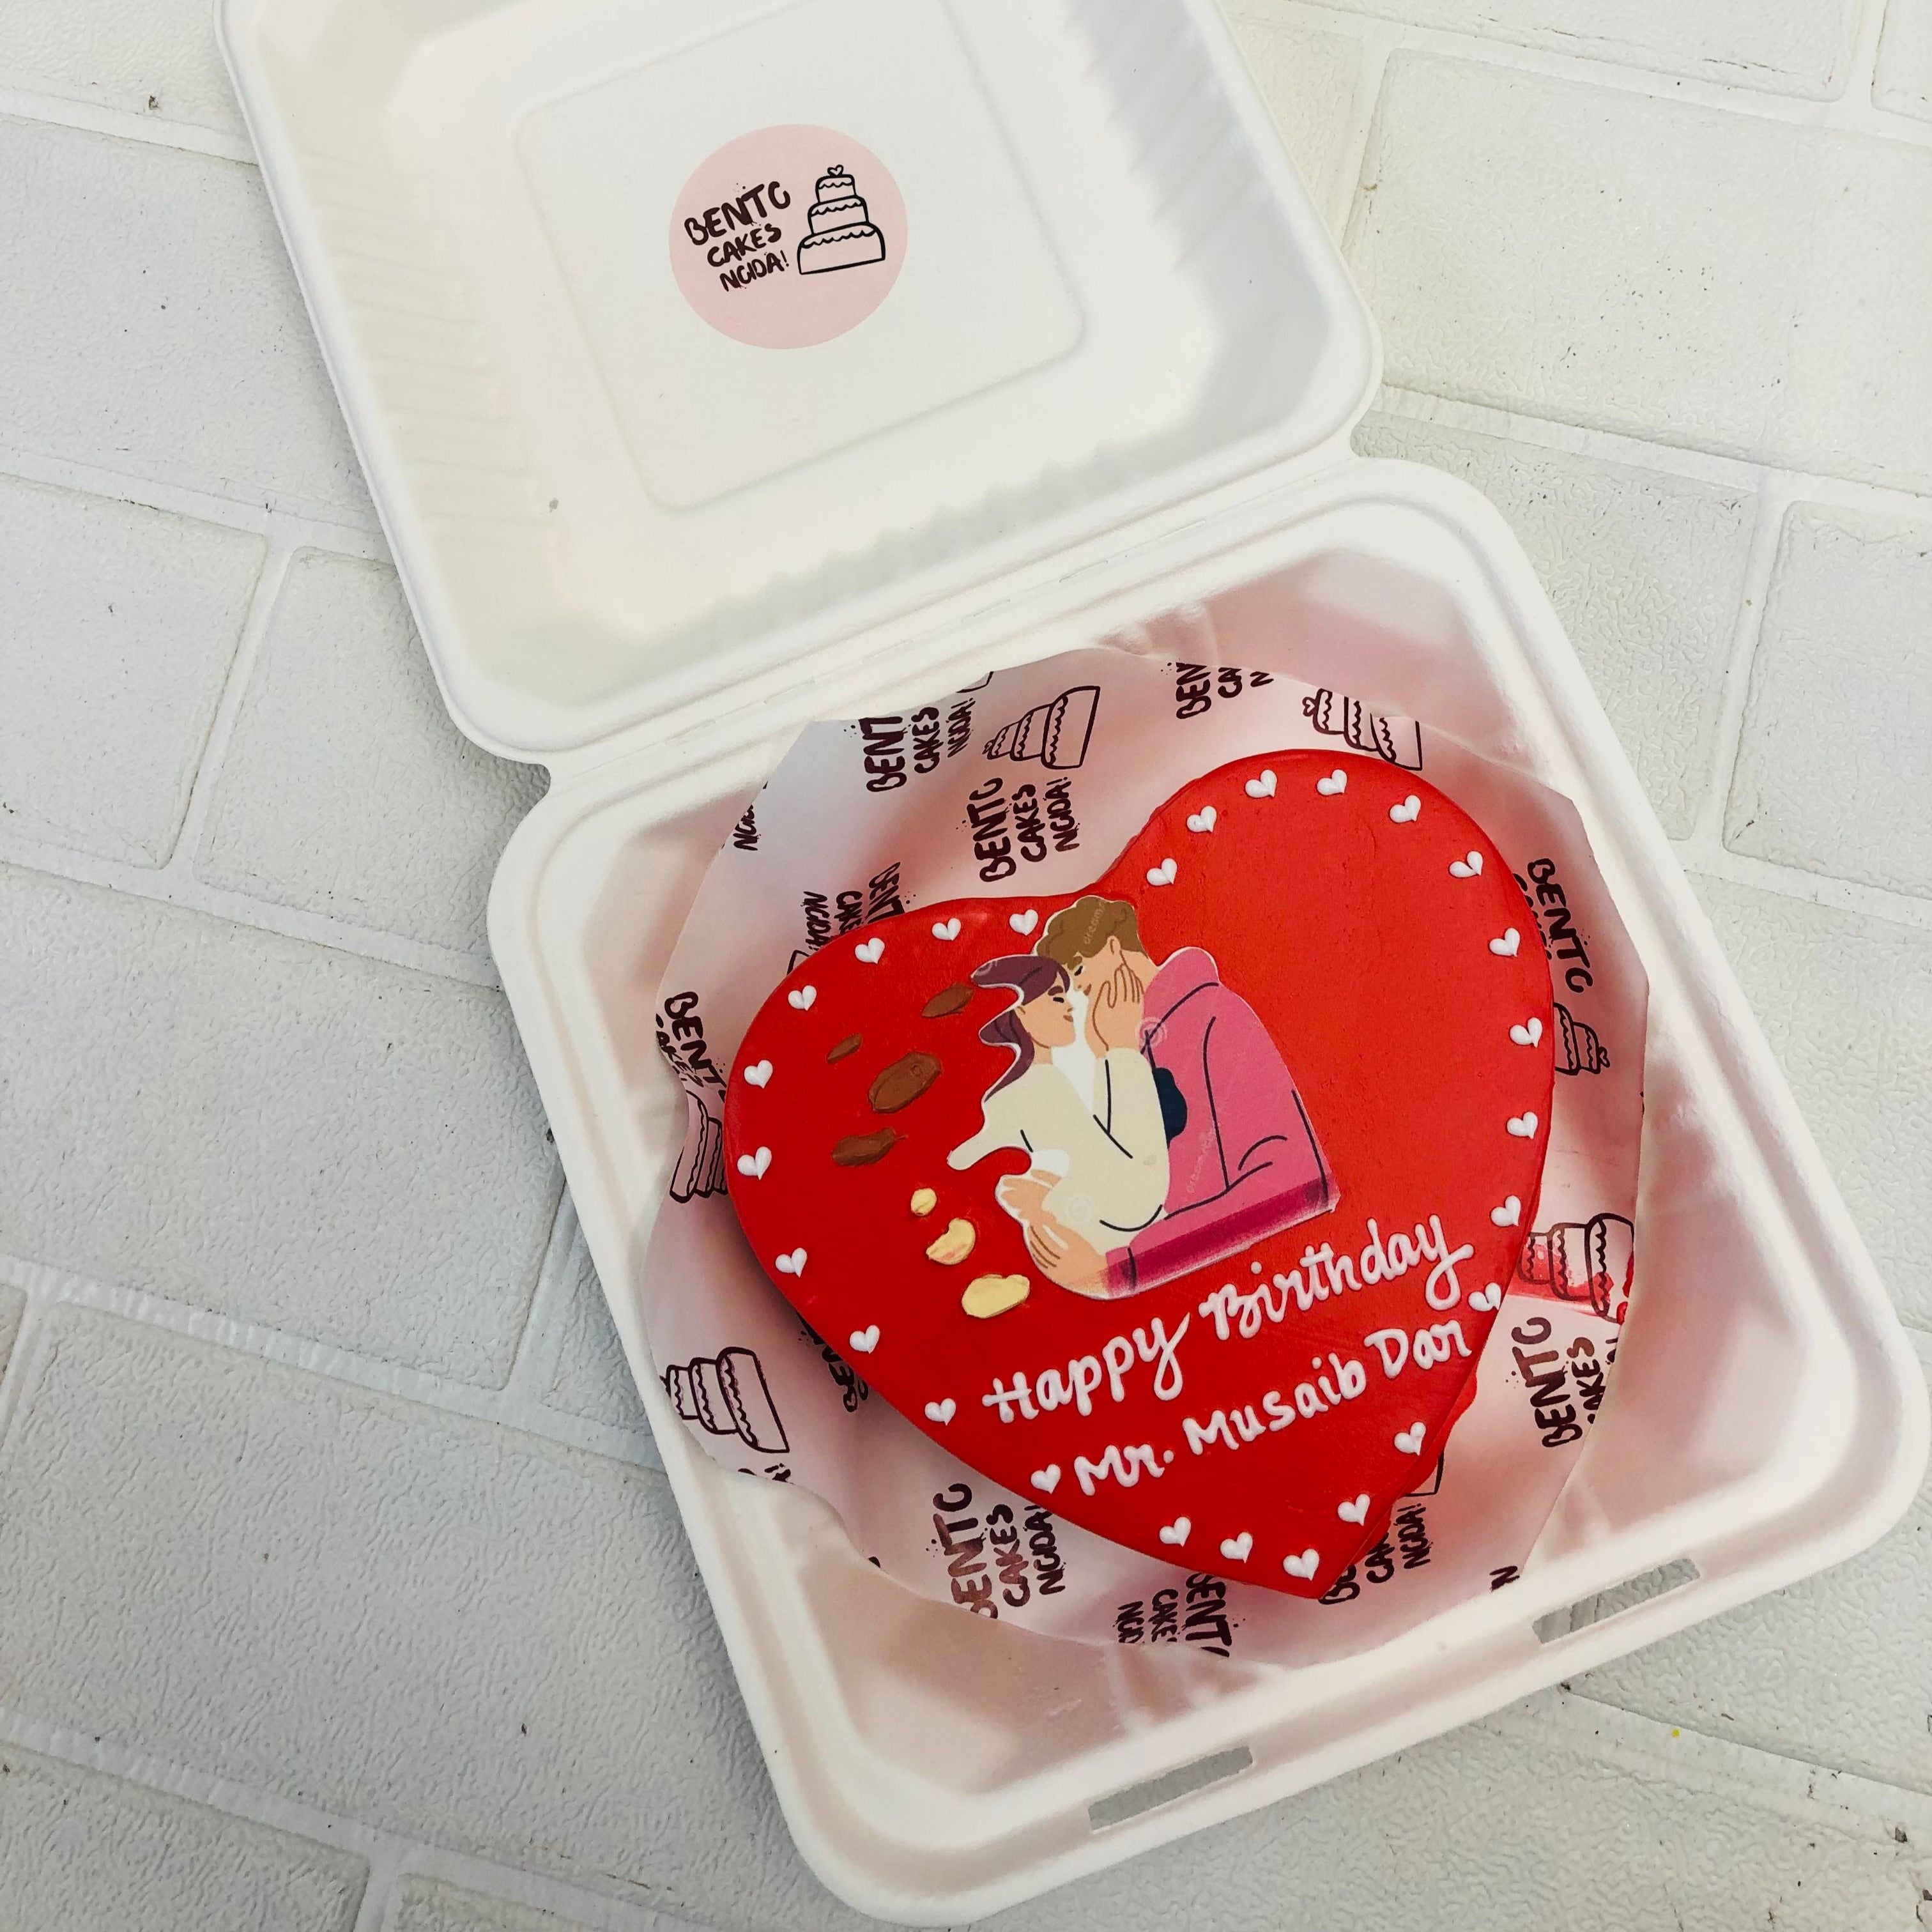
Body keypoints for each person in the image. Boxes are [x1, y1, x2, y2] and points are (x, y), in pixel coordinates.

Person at [1016, 896, 1336, 1298]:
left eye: (1081, 972)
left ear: (1114, 950)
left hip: (1273, 1285)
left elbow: (1291, 1185)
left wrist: (1120, 1268)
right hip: (1199, 1309)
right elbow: (1140, 1196)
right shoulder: (1128, 1053)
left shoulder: (1215, 1018)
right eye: (1072, 988)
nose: (1081, 994)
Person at [947, 956, 1169, 1285]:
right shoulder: (1041, 1087)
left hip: (1099, 1237)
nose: (1070, 1007)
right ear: (1019, 1011)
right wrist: (1120, 1050)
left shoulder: (1040, 1085)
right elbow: (1134, 1197)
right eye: (1056, 996)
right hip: (1095, 1239)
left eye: (1066, 995)